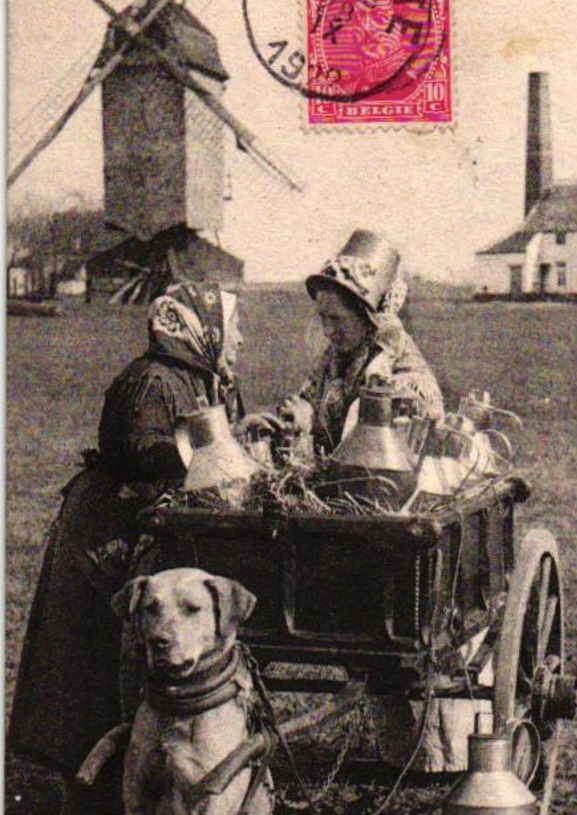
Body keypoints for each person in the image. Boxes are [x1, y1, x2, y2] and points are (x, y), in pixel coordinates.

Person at [8, 279, 244, 781]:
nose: (239, 338)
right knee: (97, 652)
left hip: (135, 525)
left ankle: (115, 780)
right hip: (106, 531)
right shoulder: (154, 380)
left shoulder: (195, 375)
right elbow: (141, 453)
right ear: (207, 329)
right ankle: (93, 789)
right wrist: (211, 453)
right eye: (235, 326)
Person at [281, 230, 444, 451]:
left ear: (369, 319)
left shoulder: (402, 371)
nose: (328, 330)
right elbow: (312, 397)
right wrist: (303, 410)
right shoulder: (336, 355)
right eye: (323, 317)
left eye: (337, 319)